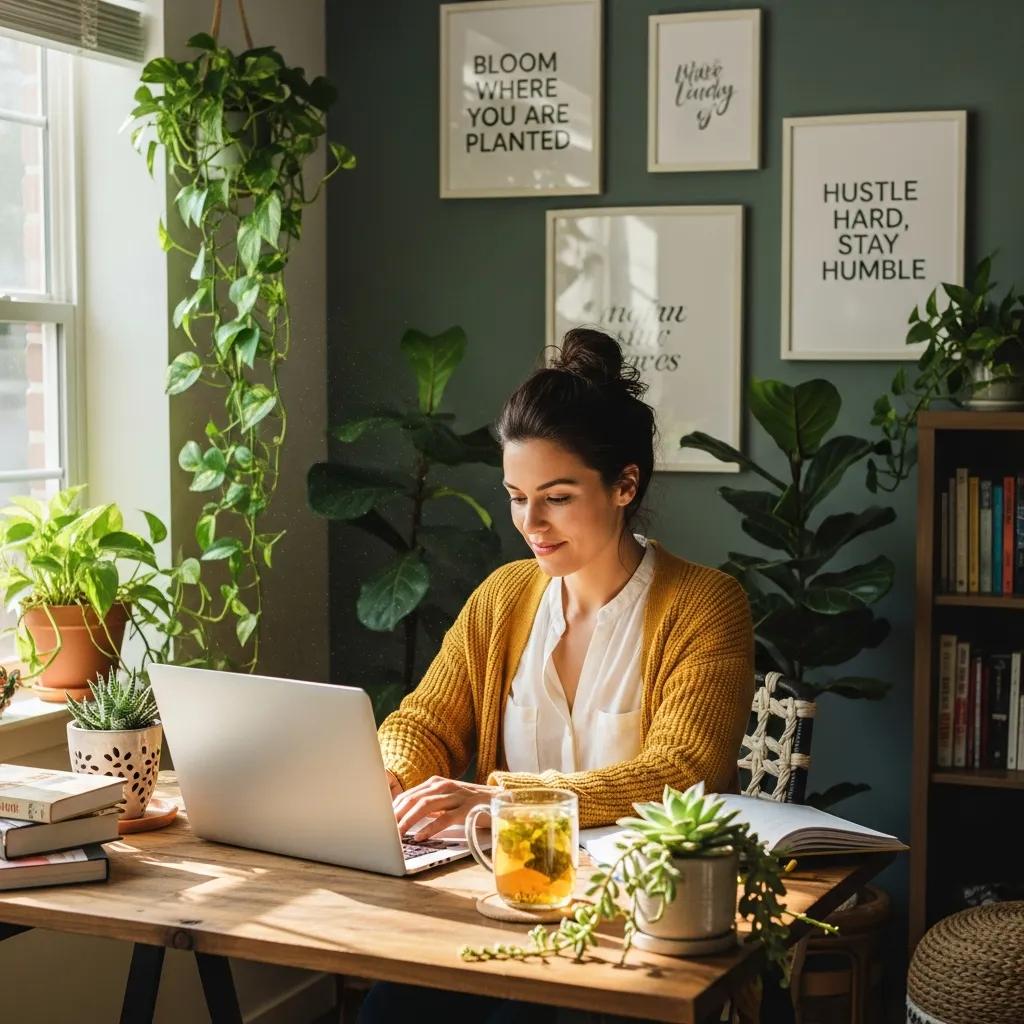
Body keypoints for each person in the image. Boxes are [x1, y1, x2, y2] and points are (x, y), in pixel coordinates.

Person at [359, 328, 754, 1024]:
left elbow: (683, 770)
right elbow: (422, 719)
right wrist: (394, 780)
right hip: (503, 901)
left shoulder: (705, 605)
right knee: (390, 1007)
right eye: (516, 496)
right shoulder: (505, 595)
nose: (530, 523)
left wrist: (500, 799)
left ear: (625, 484)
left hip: (633, 923)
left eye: (558, 496)